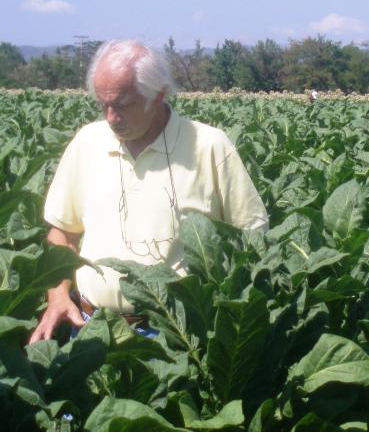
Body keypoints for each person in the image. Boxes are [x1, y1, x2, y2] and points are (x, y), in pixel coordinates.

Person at [29, 40, 269, 343]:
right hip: (91, 329)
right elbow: (61, 233)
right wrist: (58, 294)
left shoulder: (209, 147)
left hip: (177, 336)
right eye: (103, 104)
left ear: (159, 94)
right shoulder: (87, 142)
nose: (111, 118)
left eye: (123, 104)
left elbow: (253, 239)